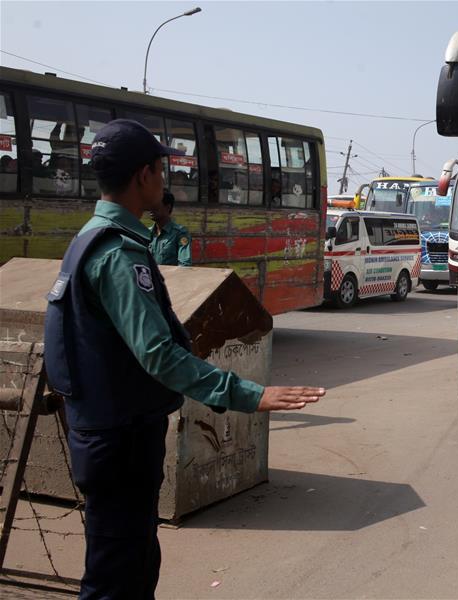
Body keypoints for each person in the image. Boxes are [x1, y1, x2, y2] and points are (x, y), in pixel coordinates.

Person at [43, 119, 326, 599]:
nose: (163, 180)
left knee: (130, 564)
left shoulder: (92, 237)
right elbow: (158, 353)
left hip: (107, 433)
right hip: (120, 443)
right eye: (160, 169)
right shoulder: (118, 255)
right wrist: (248, 394)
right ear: (143, 176)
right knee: (116, 578)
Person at [149, 190, 192, 266]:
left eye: (155, 205)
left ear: (167, 207)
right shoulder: (147, 233)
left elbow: (184, 265)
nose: (151, 208)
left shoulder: (180, 233)